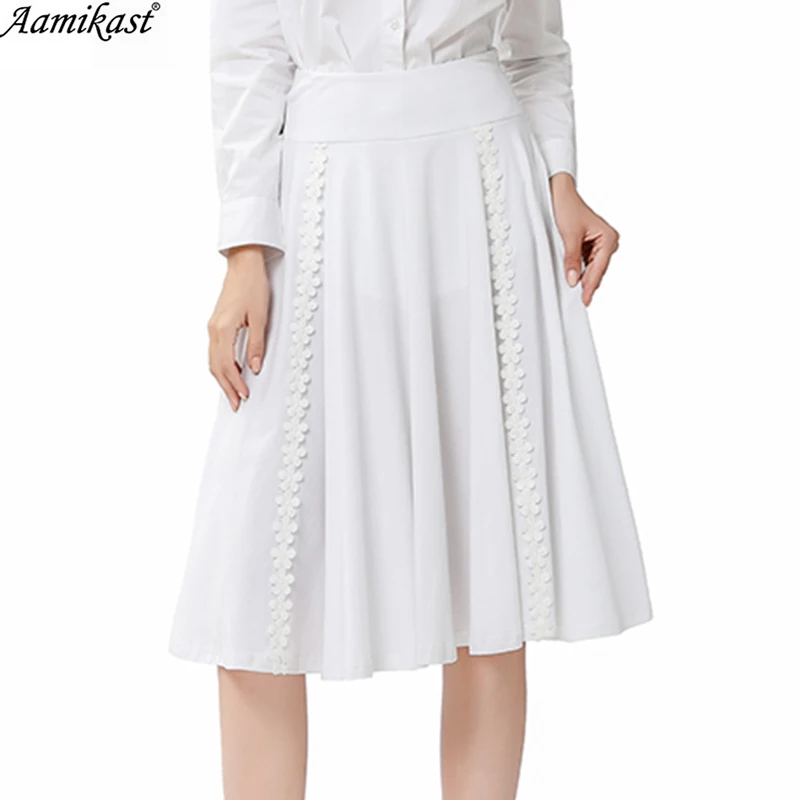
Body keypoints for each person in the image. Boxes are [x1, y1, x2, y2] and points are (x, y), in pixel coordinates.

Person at [169, 0, 653, 796]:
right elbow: (248, 57)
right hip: (323, 203)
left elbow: (535, 50)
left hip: (484, 201)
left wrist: (562, 181)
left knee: (487, 563)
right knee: (254, 580)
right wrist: (244, 251)